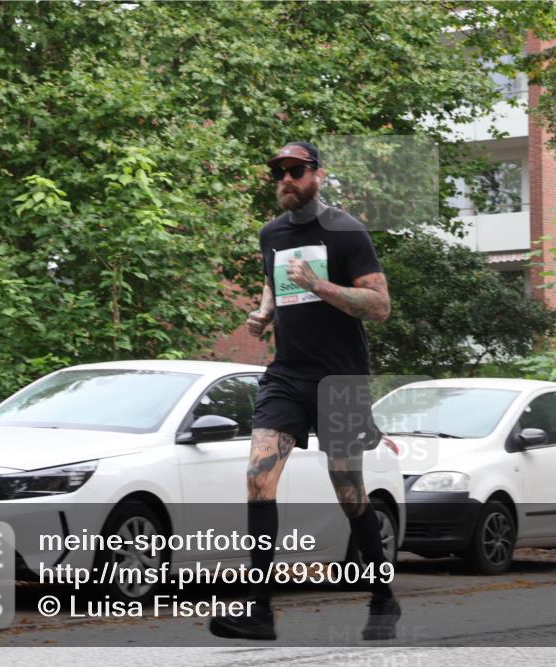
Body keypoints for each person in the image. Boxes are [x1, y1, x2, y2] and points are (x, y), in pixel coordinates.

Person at [209, 141, 400, 641]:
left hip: (341, 379)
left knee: (349, 491)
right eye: (279, 172)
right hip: (287, 375)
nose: (286, 179)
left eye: (296, 170)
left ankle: (383, 597)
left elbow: (380, 306)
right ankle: (258, 610)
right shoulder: (271, 233)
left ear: (318, 174)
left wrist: (321, 286)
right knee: (258, 477)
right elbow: (276, 282)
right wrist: (264, 312)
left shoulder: (346, 230)